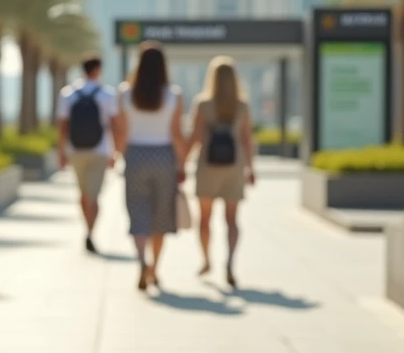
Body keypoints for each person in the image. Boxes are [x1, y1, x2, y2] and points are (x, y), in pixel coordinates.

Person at [115, 43, 186, 290]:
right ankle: (154, 267)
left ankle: (141, 262)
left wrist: (121, 156)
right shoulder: (174, 94)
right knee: (161, 216)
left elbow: (121, 133)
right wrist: (183, 163)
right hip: (164, 156)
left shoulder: (125, 93)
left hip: (135, 155)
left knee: (138, 213)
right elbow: (177, 134)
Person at [188, 55, 255, 288]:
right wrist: (251, 168)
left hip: (208, 165)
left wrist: (181, 162)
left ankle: (206, 259)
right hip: (234, 166)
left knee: (204, 219)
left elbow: (195, 137)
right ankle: (230, 263)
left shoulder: (203, 104)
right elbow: (247, 140)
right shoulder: (242, 106)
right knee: (232, 220)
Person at [57, 54, 118, 253]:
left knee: (83, 194)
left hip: (76, 151)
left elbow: (63, 126)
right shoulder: (107, 94)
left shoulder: (68, 94)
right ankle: (91, 231)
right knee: (94, 195)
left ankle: (88, 229)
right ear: (98, 70)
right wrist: (115, 152)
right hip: (100, 151)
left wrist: (61, 152)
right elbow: (113, 126)